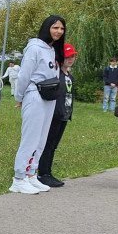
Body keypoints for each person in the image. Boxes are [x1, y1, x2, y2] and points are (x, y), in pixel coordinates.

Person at [9, 15, 64, 194]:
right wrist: (20, 96)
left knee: (41, 138)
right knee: (30, 137)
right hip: (35, 94)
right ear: (47, 27)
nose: (58, 31)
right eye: (55, 27)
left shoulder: (52, 49)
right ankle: (18, 178)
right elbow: (25, 75)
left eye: (61, 29)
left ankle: (31, 173)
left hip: (49, 95)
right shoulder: (34, 48)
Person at [37, 43, 77, 187]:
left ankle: (48, 172)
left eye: (72, 56)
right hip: (54, 114)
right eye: (67, 56)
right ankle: (43, 173)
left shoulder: (69, 76)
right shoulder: (56, 73)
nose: (70, 59)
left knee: (54, 145)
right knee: (48, 144)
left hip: (64, 114)